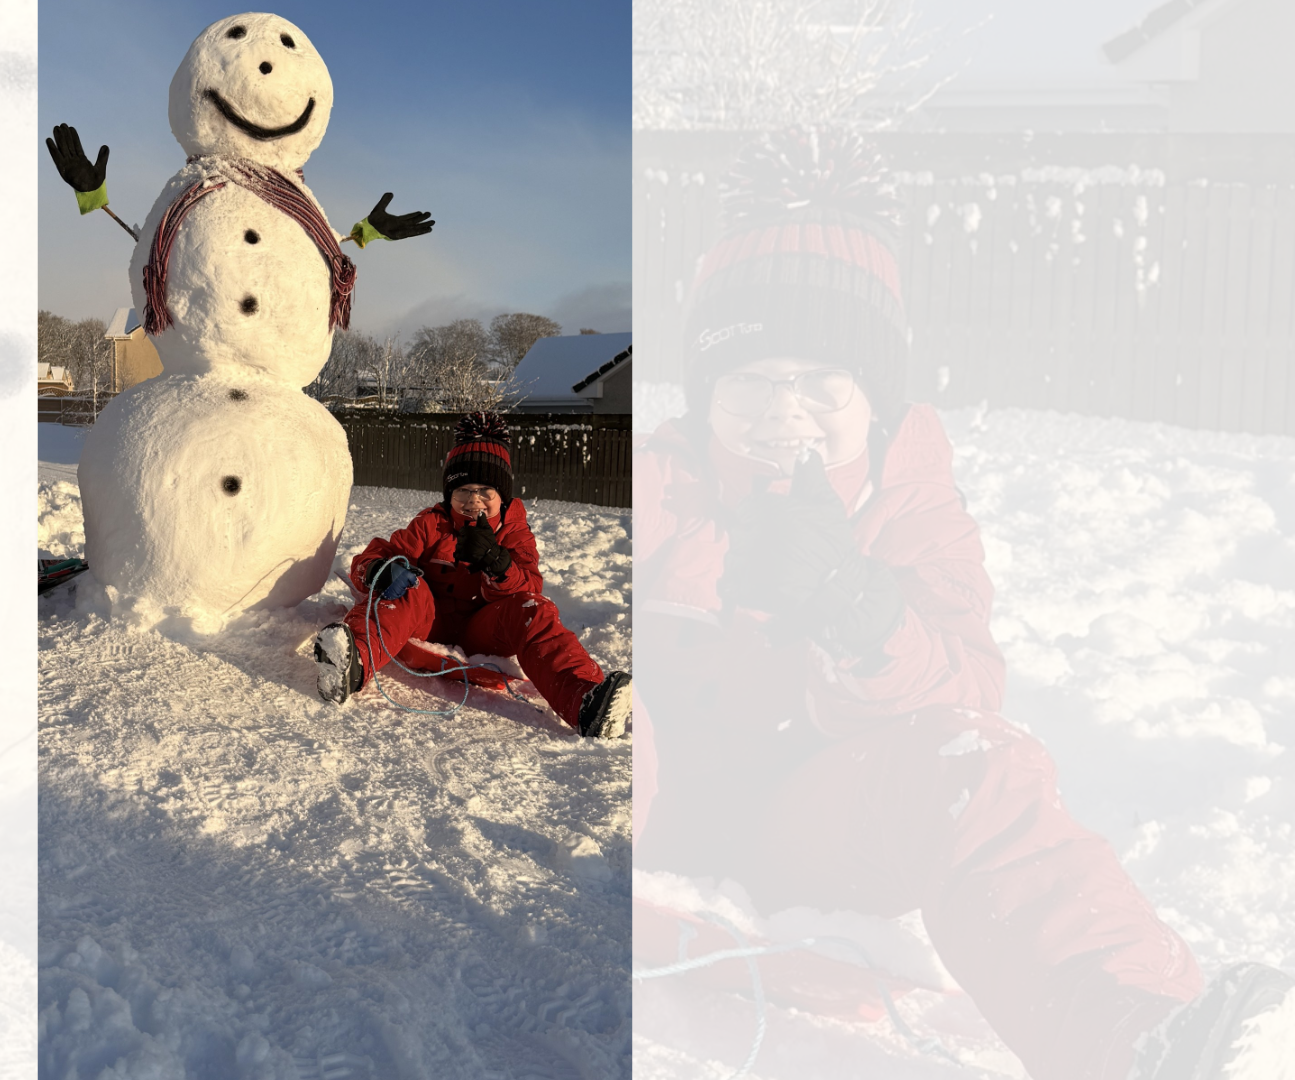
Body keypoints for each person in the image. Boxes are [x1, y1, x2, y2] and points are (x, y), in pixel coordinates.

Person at [633, 128, 1292, 1080]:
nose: (786, 413)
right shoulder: (662, 482)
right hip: (651, 800)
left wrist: (862, 619)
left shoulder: (912, 505)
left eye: (823, 384)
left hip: (811, 818)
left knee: (979, 768)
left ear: (876, 399)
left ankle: (1135, 1033)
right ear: (705, 395)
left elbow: (968, 691)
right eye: (751, 384)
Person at [313, 412, 632, 739]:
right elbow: (372, 556)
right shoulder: (431, 525)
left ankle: (584, 701)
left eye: (485, 491)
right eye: (463, 490)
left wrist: (498, 564)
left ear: (502, 496)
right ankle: (351, 666)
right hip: (426, 622)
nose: (473, 501)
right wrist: (381, 569)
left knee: (531, 610)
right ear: (449, 492)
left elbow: (530, 589)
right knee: (408, 586)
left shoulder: (514, 533)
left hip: (483, 632)